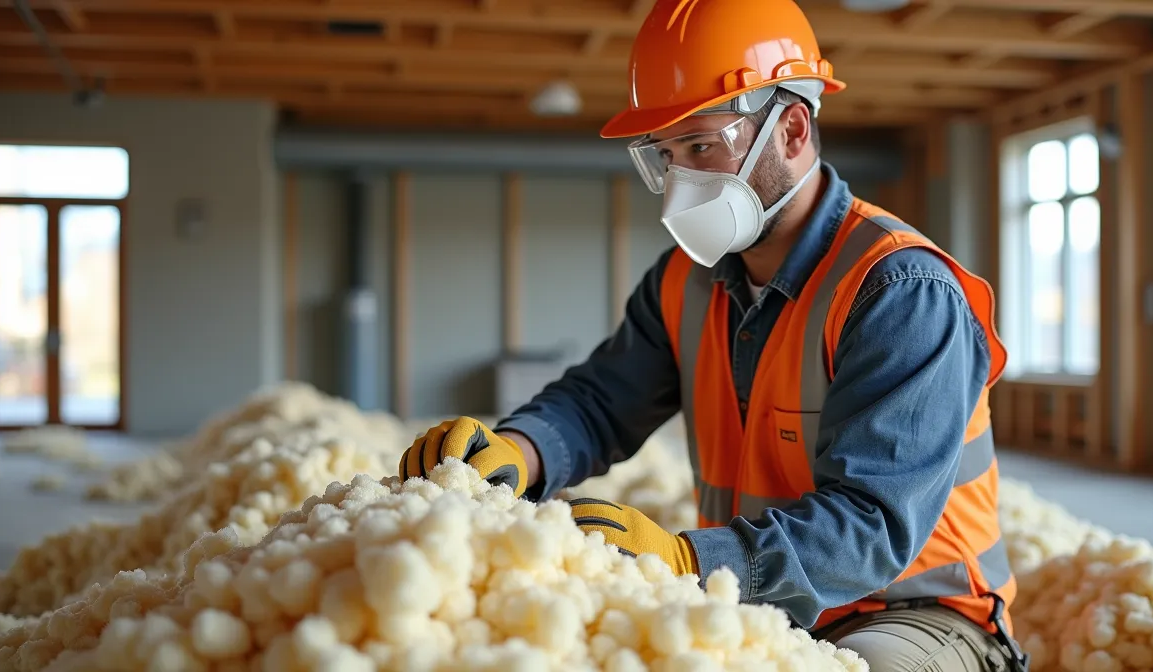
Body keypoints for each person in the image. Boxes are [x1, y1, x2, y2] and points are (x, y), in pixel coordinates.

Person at [398, 0, 1030, 669]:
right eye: (665, 156)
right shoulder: (683, 281)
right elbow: (601, 402)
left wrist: (685, 560)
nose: (680, 186)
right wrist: (517, 453)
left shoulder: (899, 292)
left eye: (701, 147)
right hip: (754, 596)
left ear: (791, 129)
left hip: (911, 613)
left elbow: (870, 525)